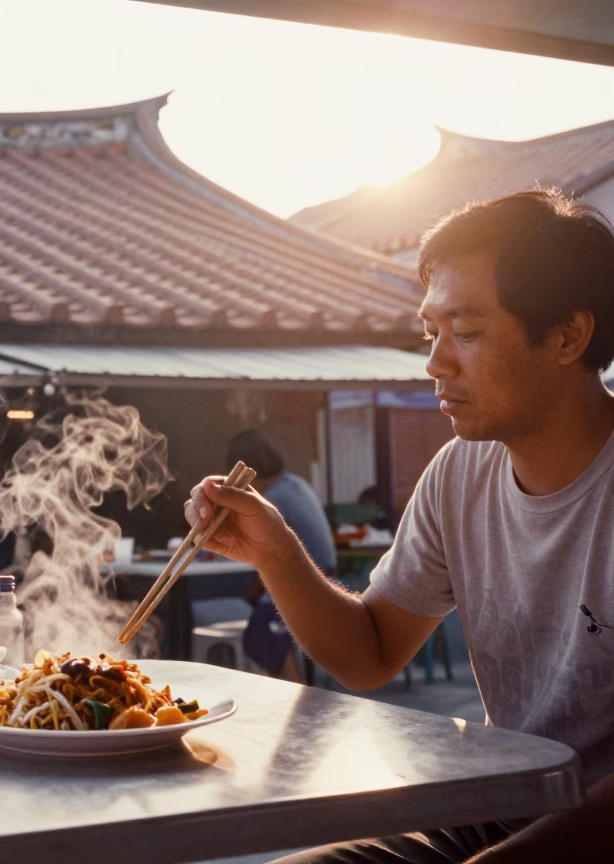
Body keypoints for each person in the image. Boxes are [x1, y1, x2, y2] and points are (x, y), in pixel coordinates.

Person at [187, 188, 614, 863]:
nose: (436, 363)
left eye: (466, 333)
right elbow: (370, 652)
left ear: (567, 335)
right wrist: (274, 551)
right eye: (431, 332)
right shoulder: (458, 475)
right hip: (503, 806)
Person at [223, 430, 336, 682]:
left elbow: (267, 553)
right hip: (326, 576)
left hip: (309, 582)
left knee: (262, 634)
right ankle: (292, 690)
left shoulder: (273, 499)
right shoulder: (295, 483)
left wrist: (256, 589)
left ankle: (292, 693)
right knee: (266, 626)